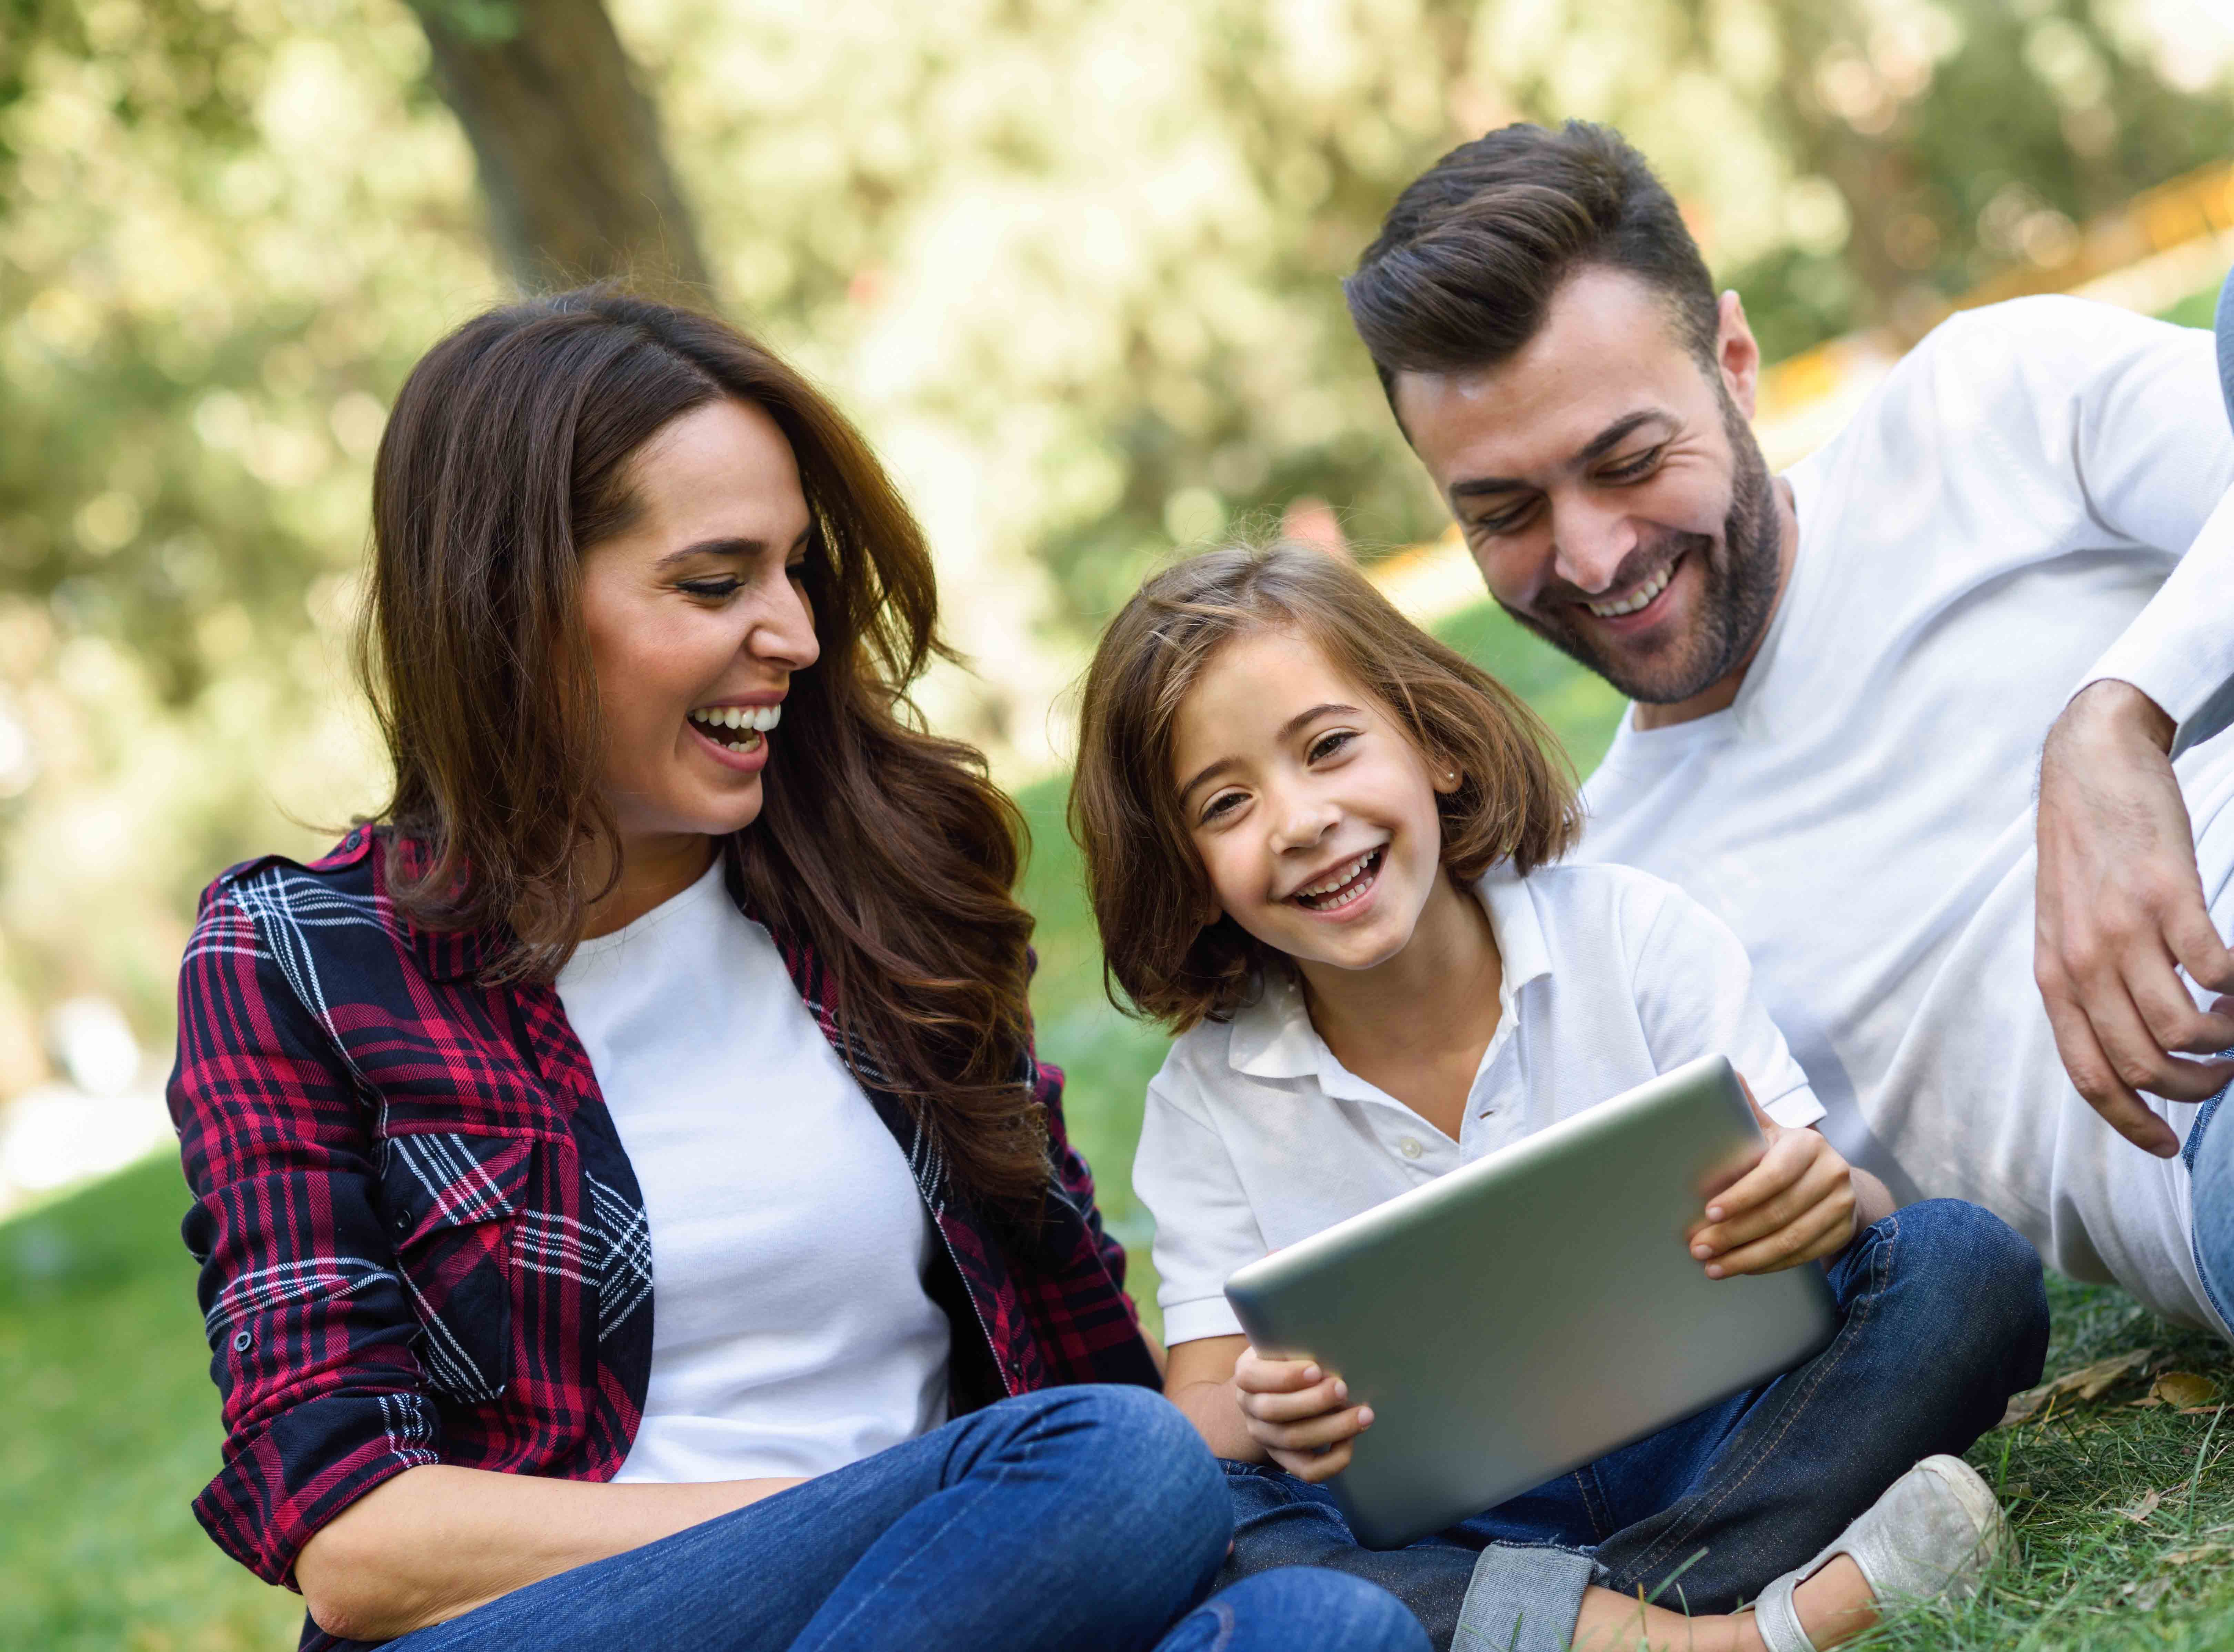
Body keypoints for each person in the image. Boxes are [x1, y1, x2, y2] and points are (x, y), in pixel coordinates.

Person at [166, 290, 1423, 1652]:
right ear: (508, 603)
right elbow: (355, 1541)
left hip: (969, 1592)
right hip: (565, 1625)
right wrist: (904, 1504)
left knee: (1317, 1623)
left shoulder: (883, 890)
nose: (796, 636)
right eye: (715, 583)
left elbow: (1089, 1371)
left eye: (794, 574)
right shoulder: (298, 961)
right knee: (1105, 1464)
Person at [1338, 122, 2234, 1427]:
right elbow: (1762, 1273)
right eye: (1505, 513)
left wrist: (2119, 713)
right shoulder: (1605, 901)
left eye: (1629, 461)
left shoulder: (1980, 401)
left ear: (1735, 361)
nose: (1591, 557)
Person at [1068, 543, 2047, 1652]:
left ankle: (1551, 1626)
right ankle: (1725, 1633)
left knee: (1959, 1265)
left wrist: (1829, 1196)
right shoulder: (1205, 1098)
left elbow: (1833, 1203)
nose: (1298, 821)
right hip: (1454, 1512)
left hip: (1734, 1431)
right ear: (1185, 865)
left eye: (1330, 747)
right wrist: (1259, 1402)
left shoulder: (1631, 932)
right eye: (1227, 803)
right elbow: (1205, 1408)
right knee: (1224, 1521)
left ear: (1431, 743)